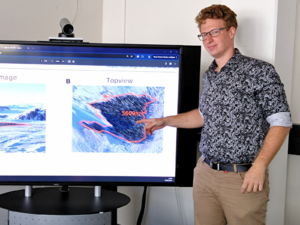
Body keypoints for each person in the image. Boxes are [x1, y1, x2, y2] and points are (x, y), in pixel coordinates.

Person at [136, 4, 292, 225]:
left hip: (242, 178)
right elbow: (203, 115)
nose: (208, 39)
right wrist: (165, 121)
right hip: (205, 173)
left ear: (231, 31)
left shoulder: (260, 71)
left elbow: (281, 122)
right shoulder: (210, 74)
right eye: (204, 34)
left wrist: (259, 167)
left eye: (215, 32)